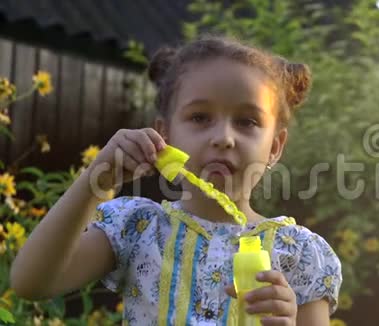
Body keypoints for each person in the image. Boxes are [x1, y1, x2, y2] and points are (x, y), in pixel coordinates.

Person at [10, 35, 342, 325]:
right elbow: (31, 283)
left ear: (274, 146)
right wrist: (96, 178)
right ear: (165, 134)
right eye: (200, 117)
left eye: (246, 121)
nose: (224, 138)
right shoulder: (137, 229)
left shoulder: (300, 254)